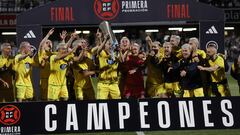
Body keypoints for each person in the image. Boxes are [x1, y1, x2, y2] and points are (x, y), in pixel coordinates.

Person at [96, 35, 121, 100]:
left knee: (117, 104)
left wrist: (119, 50)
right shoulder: (102, 53)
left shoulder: (116, 55)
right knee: (101, 105)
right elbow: (98, 50)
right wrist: (104, 40)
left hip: (114, 84)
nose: (110, 46)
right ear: (105, 46)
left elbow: (122, 60)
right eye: (109, 44)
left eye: (112, 44)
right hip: (103, 84)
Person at [38, 28, 54, 101]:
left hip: (54, 81)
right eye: (47, 43)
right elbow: (41, 45)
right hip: (44, 80)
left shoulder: (54, 54)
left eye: (50, 43)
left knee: (53, 99)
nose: (49, 44)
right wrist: (48, 35)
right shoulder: (42, 53)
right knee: (44, 99)